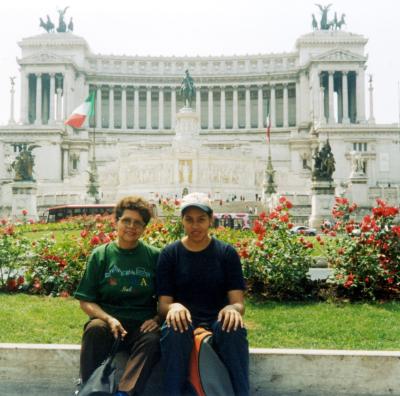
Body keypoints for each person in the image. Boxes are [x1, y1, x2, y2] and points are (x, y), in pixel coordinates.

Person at [156, 192, 249, 396]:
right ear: (182, 221)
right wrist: (174, 307)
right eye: (189, 220)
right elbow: (163, 305)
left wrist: (232, 309)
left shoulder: (226, 254)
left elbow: (238, 303)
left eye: (201, 220)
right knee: (174, 329)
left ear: (210, 220)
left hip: (218, 322)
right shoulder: (170, 254)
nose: (195, 226)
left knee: (233, 328)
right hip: (184, 323)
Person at [75, 196, 161, 396]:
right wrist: (108, 318)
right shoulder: (101, 255)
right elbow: (86, 300)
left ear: (144, 228)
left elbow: (166, 298)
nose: (131, 227)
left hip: (141, 325)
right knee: (94, 329)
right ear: (117, 222)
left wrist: (157, 319)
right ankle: (89, 388)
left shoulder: (154, 256)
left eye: (138, 223)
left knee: (154, 340)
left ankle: (125, 392)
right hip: (109, 323)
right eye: (126, 221)